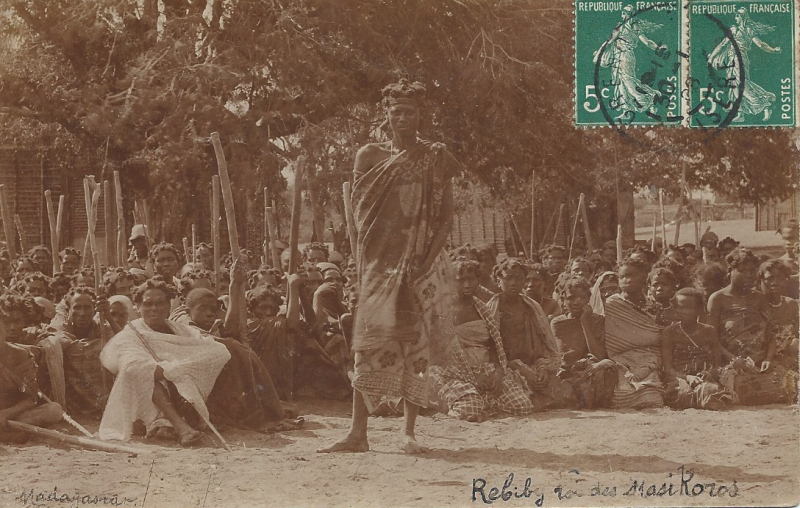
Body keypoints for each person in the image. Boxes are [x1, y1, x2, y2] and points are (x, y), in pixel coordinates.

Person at [318, 79, 459, 454]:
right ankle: (357, 433)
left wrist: (425, 261)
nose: (403, 118)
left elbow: (446, 218)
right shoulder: (368, 155)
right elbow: (360, 215)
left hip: (420, 265)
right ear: (387, 115)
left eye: (410, 111)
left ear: (420, 115)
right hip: (378, 266)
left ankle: (408, 432)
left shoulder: (435, 157)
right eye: (396, 111)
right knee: (367, 344)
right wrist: (364, 261)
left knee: (416, 345)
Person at [99, 278, 230, 445]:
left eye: (160, 303)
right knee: (143, 373)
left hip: (179, 383)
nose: (154, 308)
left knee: (219, 352)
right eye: (148, 304)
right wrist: (172, 370)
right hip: (145, 394)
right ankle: (181, 428)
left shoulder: (179, 329)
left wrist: (178, 368)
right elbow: (132, 367)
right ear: (138, 307)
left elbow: (213, 349)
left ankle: (175, 422)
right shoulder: (130, 334)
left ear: (169, 306)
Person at [429, 259, 533, 421]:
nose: (467, 285)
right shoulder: (441, 312)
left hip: (486, 370)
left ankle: (482, 400)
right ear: (450, 282)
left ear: (478, 281)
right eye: (461, 280)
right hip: (453, 374)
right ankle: (449, 403)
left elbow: (493, 346)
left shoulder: (482, 309)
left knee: (521, 405)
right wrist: (472, 377)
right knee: (470, 409)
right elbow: (438, 356)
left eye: (471, 279)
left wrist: (497, 372)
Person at [708, 249, 793, 404]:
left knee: (790, 385)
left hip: (760, 362)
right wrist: (732, 359)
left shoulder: (759, 298)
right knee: (744, 390)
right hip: (732, 363)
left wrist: (768, 359)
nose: (748, 275)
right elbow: (711, 338)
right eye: (742, 271)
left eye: (752, 271)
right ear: (730, 271)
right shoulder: (718, 298)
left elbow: (770, 334)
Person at [486, 258, 561, 409]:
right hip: (504, 367)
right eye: (508, 278)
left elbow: (542, 345)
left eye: (519, 278)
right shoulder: (491, 309)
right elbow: (489, 348)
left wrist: (544, 368)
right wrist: (518, 368)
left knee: (563, 393)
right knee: (521, 402)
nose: (513, 283)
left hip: (532, 364)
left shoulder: (532, 307)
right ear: (498, 280)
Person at [604, 257, 665, 408]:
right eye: (622, 277)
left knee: (652, 395)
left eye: (631, 275)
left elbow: (659, 336)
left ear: (644, 277)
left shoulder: (655, 306)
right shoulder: (611, 304)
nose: (626, 280)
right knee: (621, 392)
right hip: (620, 360)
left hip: (648, 358)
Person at [550, 275, 616, 409]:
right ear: (563, 300)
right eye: (571, 298)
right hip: (567, 374)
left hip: (590, 371)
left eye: (582, 297)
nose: (576, 302)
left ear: (588, 299)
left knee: (607, 366)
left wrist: (585, 322)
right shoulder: (558, 323)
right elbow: (566, 358)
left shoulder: (598, 320)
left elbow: (600, 355)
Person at [661, 288, 732, 410]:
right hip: (680, 378)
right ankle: (699, 399)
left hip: (704, 379)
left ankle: (700, 397)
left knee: (711, 390)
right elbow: (668, 369)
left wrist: (709, 373)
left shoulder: (709, 331)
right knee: (680, 393)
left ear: (699, 310)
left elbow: (718, 365)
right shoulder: (669, 332)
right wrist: (687, 377)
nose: (682, 311)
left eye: (688, 308)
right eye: (679, 307)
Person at [708, 7, 781, 122]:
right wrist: (773, 50)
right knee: (734, 85)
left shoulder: (736, 30)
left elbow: (723, 44)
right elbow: (761, 44)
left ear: (742, 17)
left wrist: (712, 57)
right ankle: (740, 113)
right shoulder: (747, 30)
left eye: (737, 16)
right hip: (736, 59)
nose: (735, 18)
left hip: (737, 59)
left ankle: (764, 103)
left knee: (740, 84)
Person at [0, 313, 62, 444]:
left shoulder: (20, 355)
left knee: (54, 410)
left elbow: (31, 399)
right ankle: (11, 435)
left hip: (14, 416)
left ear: (5, 328)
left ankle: (9, 434)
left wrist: (6, 413)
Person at [758, 260, 798, 372]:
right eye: (770, 278)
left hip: (790, 357)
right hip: (765, 360)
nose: (775, 283)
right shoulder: (755, 306)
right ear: (760, 280)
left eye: (780, 278)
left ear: (786, 280)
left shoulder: (791, 304)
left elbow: (797, 334)